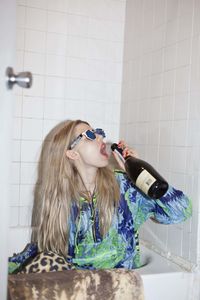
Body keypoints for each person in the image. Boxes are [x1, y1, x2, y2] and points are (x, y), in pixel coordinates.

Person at [8, 119, 192, 273]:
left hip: (120, 287)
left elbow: (181, 212)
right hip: (78, 289)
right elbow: (46, 252)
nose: (101, 137)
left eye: (99, 132)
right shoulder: (59, 199)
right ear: (72, 153)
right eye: (90, 135)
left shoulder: (125, 187)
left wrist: (141, 175)